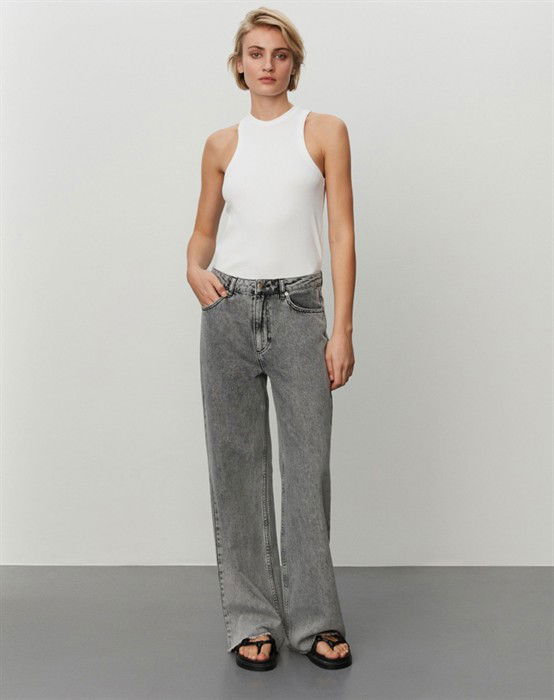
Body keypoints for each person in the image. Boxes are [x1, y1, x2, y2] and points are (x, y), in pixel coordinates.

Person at [186, 6, 356, 671]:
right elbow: (204, 230)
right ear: (239, 65)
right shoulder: (220, 145)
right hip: (227, 311)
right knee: (237, 467)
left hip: (298, 310)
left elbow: (341, 233)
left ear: (294, 65)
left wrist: (342, 328)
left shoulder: (324, 131)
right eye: (255, 54)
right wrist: (192, 270)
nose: (267, 64)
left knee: (307, 469)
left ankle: (315, 620)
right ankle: (252, 619)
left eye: (279, 54)